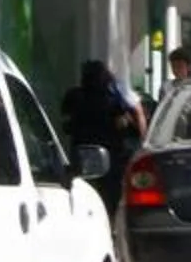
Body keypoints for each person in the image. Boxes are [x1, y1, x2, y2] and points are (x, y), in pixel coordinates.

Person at [61, 59, 147, 209]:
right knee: (110, 197)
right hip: (110, 158)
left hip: (82, 156)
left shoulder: (74, 97)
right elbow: (130, 125)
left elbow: (66, 124)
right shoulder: (113, 100)